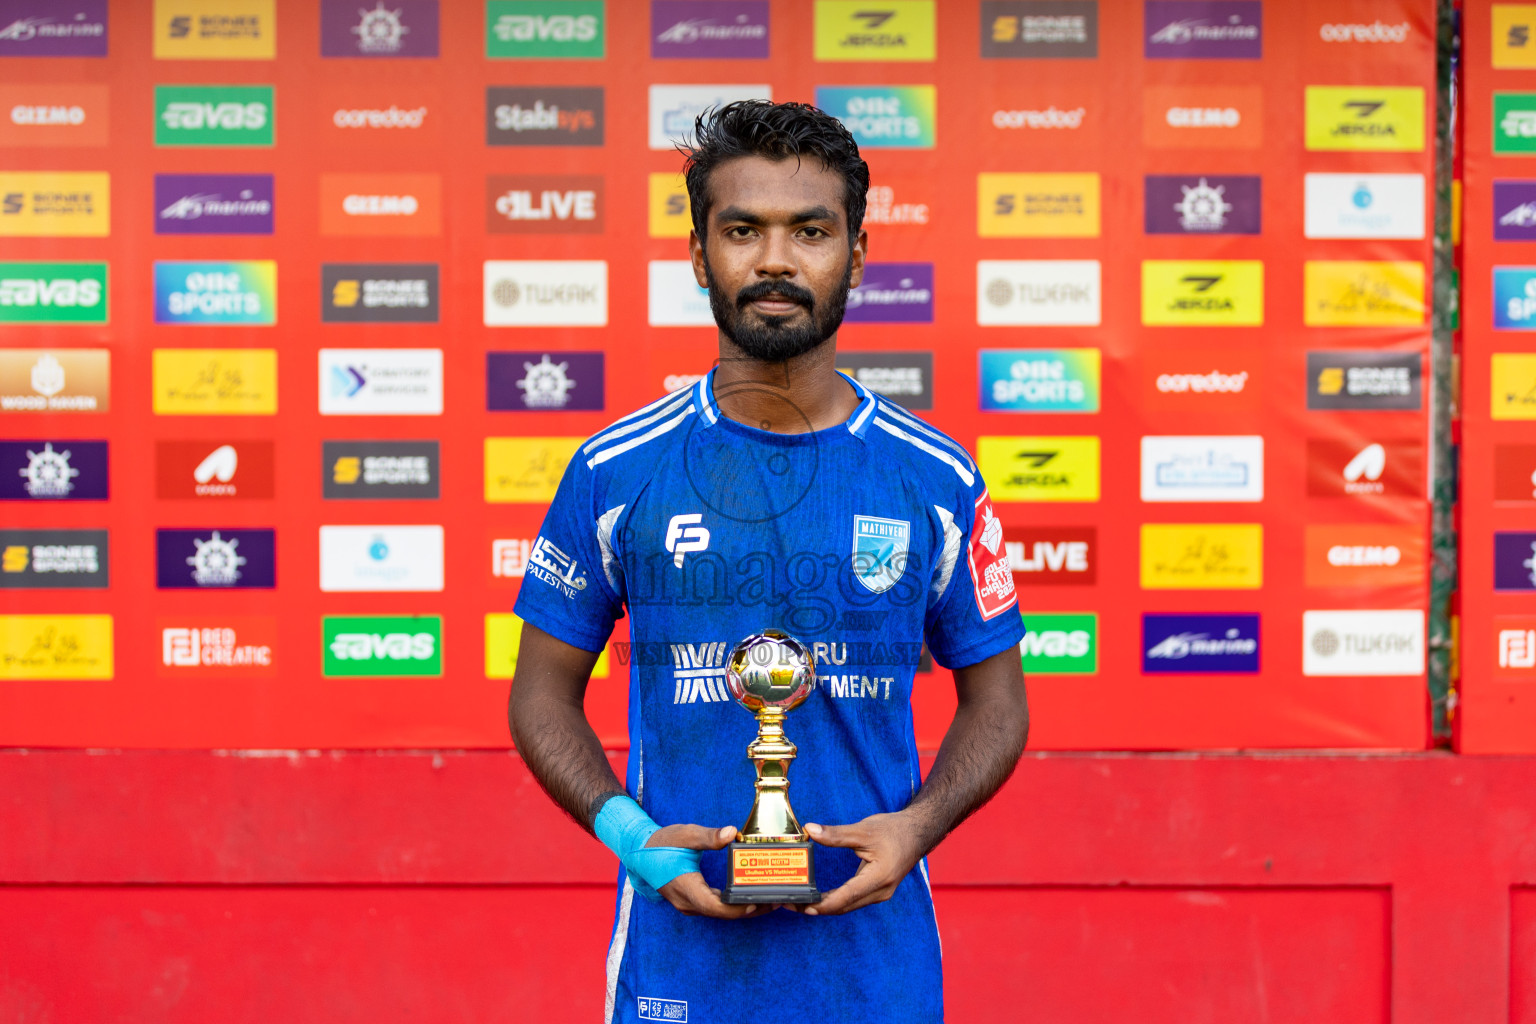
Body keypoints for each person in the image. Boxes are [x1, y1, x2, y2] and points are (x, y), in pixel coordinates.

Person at [508, 99, 1028, 1024]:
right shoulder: (616, 470)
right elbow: (540, 695)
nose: (776, 260)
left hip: (875, 975)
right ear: (699, 253)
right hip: (679, 970)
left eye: (811, 232)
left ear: (856, 257)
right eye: (743, 230)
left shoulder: (935, 477)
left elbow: (1000, 702)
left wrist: (917, 828)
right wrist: (633, 838)